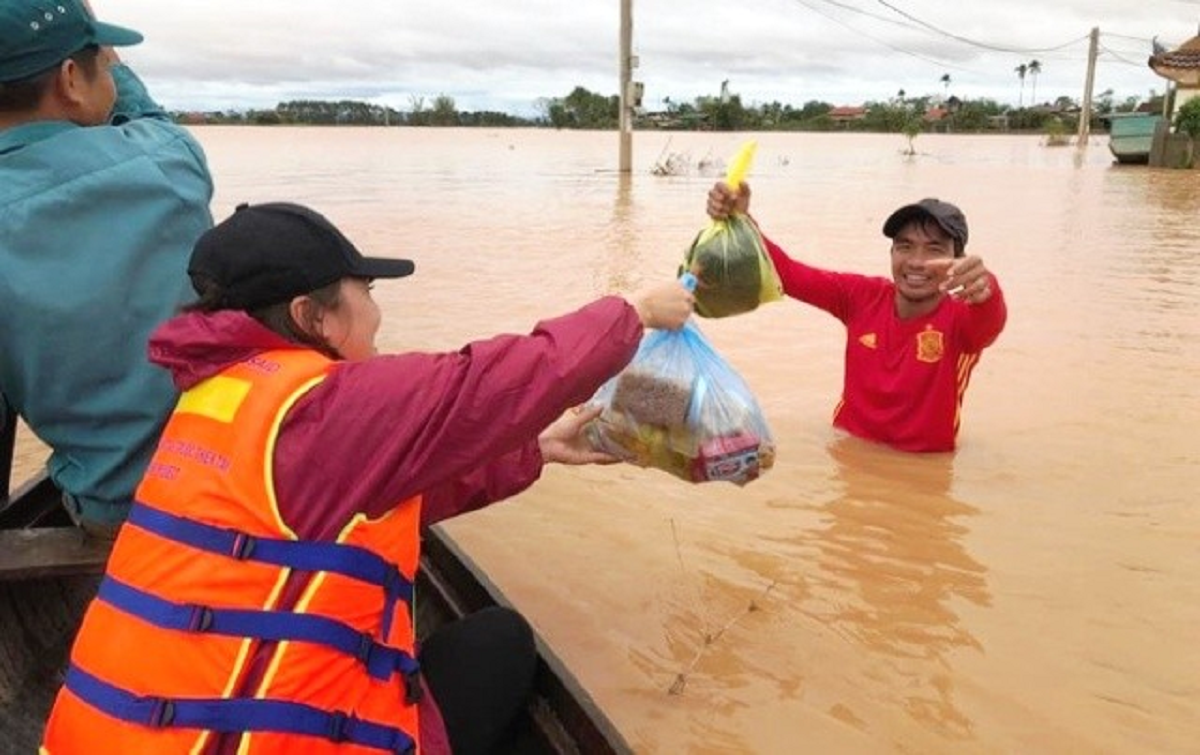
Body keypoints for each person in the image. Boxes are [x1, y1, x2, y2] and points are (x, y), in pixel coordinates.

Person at [41, 201, 695, 754]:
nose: (378, 315)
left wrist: (538, 448)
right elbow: (489, 382)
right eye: (366, 293)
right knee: (500, 644)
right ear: (312, 316)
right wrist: (632, 313)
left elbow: (377, 499)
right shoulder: (322, 407)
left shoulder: (218, 399)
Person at [0, 0, 214, 533]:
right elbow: (141, 110)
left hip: (112, 511)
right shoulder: (170, 160)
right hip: (226, 481)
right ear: (71, 78)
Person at [706, 182, 1006, 452]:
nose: (916, 262)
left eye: (934, 250)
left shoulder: (964, 320)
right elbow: (788, 274)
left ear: (959, 260)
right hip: (847, 450)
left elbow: (991, 318)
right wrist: (742, 221)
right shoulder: (861, 296)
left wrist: (987, 284)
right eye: (905, 246)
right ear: (891, 253)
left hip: (924, 466)